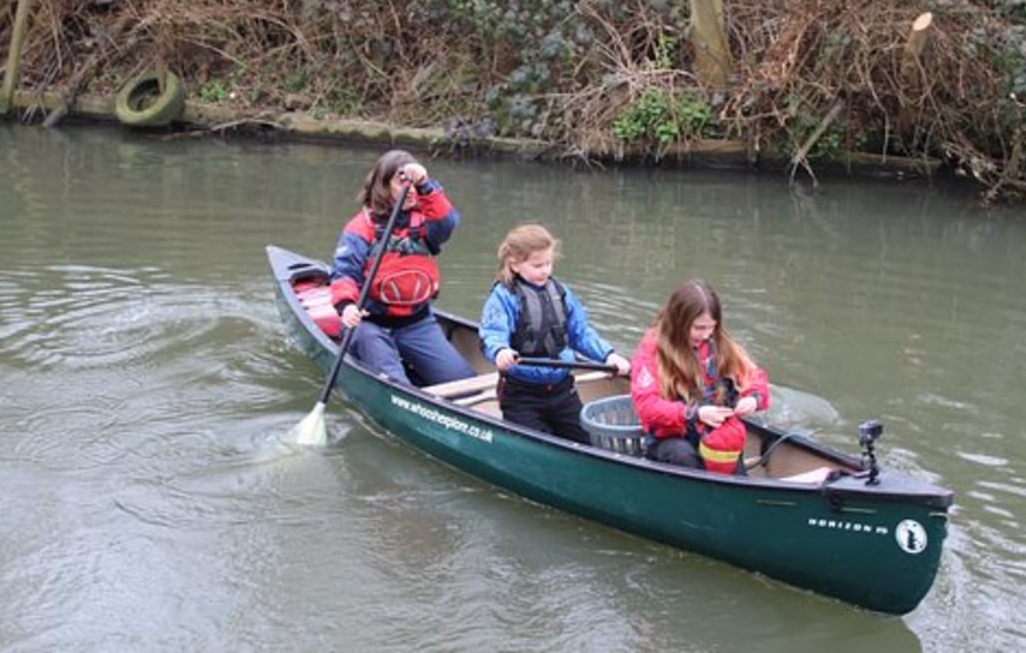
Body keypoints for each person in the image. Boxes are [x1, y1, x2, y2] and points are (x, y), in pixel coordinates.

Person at [330, 149, 477, 386]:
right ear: (384, 186)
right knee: (395, 383)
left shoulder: (427, 225)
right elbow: (344, 273)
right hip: (369, 324)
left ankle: (415, 372)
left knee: (463, 382)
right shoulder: (360, 228)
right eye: (401, 183)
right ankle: (396, 376)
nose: (410, 191)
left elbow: (447, 222)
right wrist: (347, 306)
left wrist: (425, 184)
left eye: (413, 185)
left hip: (416, 323)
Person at [479, 224, 631, 442]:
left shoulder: (561, 293)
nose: (545, 271)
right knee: (538, 444)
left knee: (589, 442)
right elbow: (492, 334)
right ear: (514, 265)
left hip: (562, 390)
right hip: (522, 394)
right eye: (537, 265)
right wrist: (501, 351)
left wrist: (608, 355)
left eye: (548, 263)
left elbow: (581, 333)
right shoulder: (503, 297)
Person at [629, 279, 770, 473]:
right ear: (679, 322)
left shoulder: (718, 343)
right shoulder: (652, 349)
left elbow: (755, 378)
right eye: (698, 328)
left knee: (730, 441)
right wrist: (694, 414)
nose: (706, 335)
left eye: (711, 327)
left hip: (709, 431)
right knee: (683, 456)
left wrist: (754, 399)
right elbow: (646, 406)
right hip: (670, 439)